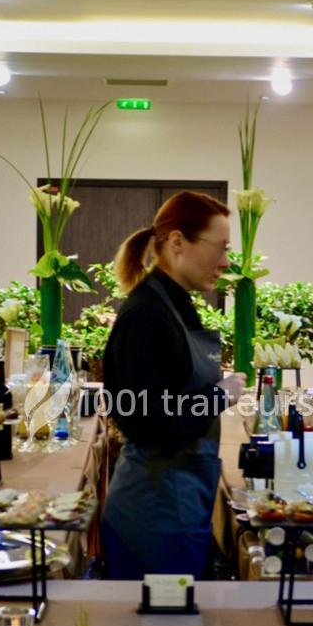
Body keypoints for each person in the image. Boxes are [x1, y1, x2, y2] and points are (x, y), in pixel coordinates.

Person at [99, 191, 246, 579]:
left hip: (177, 501)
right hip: (155, 512)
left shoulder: (173, 304)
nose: (226, 261)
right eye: (221, 247)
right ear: (178, 242)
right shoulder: (148, 315)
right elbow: (147, 422)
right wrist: (218, 396)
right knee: (159, 617)